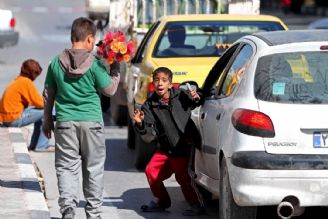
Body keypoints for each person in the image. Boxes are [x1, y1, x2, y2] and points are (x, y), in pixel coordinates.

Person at [43, 17, 120, 219]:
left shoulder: (55, 62)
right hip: (92, 122)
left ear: (72, 37)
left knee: (66, 166)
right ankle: (93, 213)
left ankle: (68, 208)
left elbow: (48, 93)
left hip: (65, 122)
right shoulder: (94, 64)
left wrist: (46, 120)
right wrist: (116, 68)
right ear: (89, 39)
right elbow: (110, 90)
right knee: (93, 168)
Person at [133, 67, 205, 216]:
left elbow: (197, 100)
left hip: (184, 145)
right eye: (157, 80)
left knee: (183, 176)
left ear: (170, 84)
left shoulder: (180, 95)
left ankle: (196, 204)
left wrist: (197, 96)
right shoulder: (149, 105)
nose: (160, 84)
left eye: (164, 81)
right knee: (151, 171)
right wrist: (140, 123)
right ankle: (162, 202)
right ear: (153, 83)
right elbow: (149, 133)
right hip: (166, 148)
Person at [0, 59, 54, 152]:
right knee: (47, 111)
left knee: (40, 112)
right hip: (13, 119)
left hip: (6, 118)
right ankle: (42, 145)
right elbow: (41, 103)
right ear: (33, 74)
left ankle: (34, 145)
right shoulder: (26, 82)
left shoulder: (17, 80)